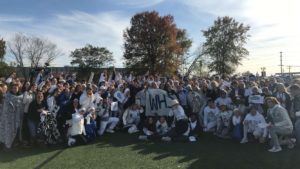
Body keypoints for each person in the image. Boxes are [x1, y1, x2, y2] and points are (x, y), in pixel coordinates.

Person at [0, 83, 24, 150]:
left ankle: (13, 144)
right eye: (13, 88)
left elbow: (22, 107)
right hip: (8, 119)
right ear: (11, 88)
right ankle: (6, 146)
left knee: (15, 131)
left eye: (16, 88)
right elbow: (5, 108)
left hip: (17, 118)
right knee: (7, 132)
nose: (15, 89)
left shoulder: (21, 96)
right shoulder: (7, 96)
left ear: (18, 88)